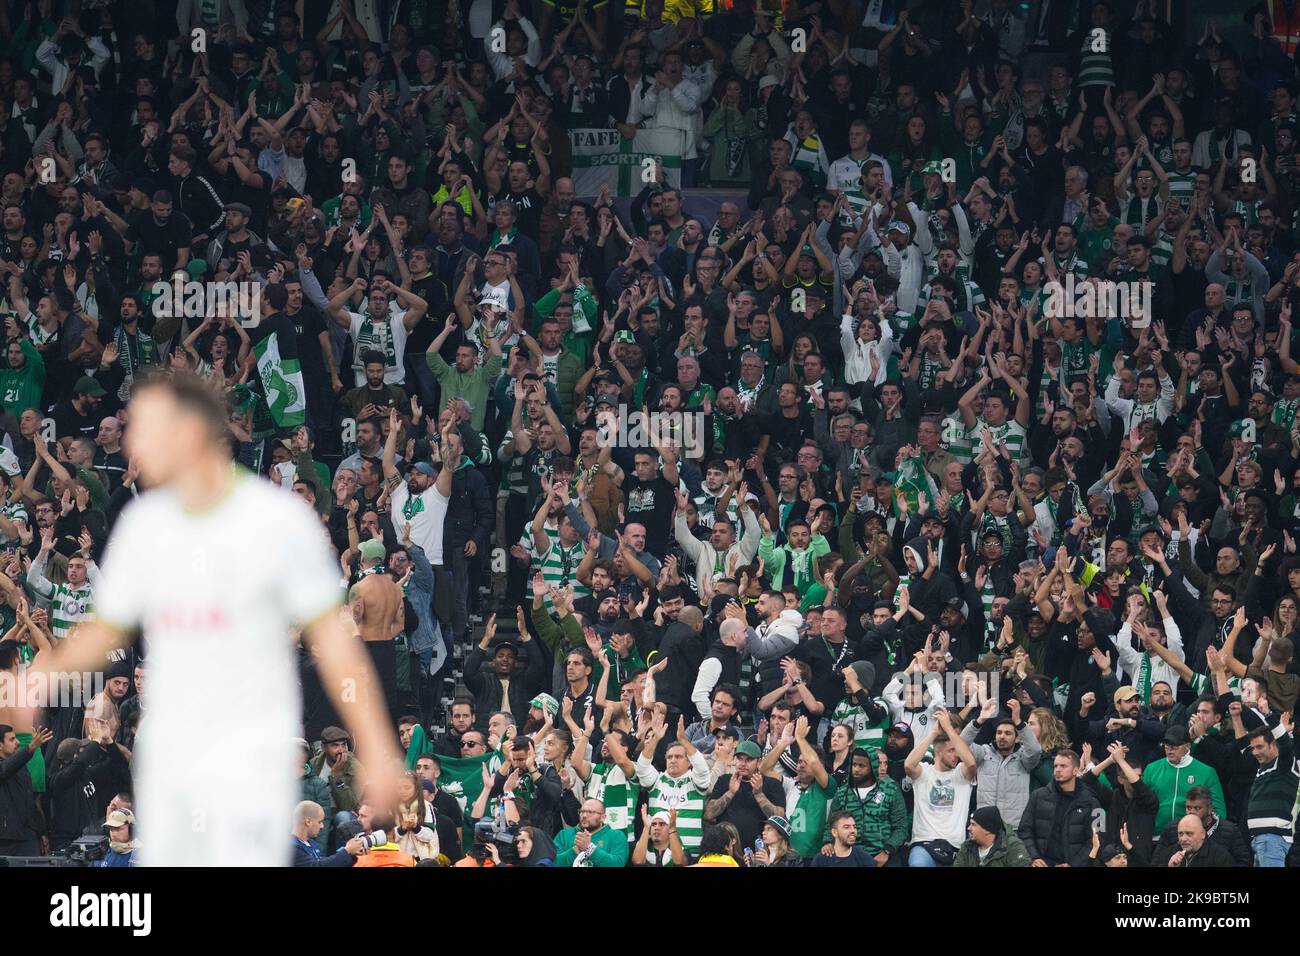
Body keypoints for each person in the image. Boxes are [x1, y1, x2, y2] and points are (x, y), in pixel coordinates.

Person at [28, 373, 401, 865]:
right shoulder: (148, 522)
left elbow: (336, 648)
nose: (134, 441)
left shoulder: (279, 521)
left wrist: (375, 744)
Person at [905, 709, 977, 867]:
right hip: (924, 844)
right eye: (951, 750)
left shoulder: (961, 774)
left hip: (956, 847)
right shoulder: (924, 772)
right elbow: (909, 765)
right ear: (938, 751)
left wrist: (950, 729)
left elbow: (971, 763)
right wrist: (933, 732)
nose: (956, 755)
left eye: (956, 751)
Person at [1017, 751, 1102, 868]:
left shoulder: (1093, 802)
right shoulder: (1037, 796)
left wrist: (1074, 864)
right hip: (1041, 863)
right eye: (1055, 766)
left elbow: (1098, 838)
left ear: (1076, 770)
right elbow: (1024, 830)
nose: (1057, 769)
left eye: (1063, 766)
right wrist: (1034, 857)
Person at [553, 798, 629, 867]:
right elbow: (552, 862)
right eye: (582, 811)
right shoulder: (564, 835)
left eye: (590, 812)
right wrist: (574, 851)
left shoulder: (616, 836)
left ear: (602, 817)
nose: (585, 815)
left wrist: (590, 849)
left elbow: (618, 864)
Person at [291, 800, 366, 867]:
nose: (322, 826)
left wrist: (352, 855)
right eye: (319, 822)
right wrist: (347, 851)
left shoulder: (312, 843)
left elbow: (327, 863)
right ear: (308, 822)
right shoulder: (291, 847)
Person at [954, 806, 1033, 867]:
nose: (969, 828)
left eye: (973, 825)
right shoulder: (967, 847)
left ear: (987, 830)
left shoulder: (1013, 847)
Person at [810, 811, 876, 867]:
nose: (853, 830)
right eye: (846, 827)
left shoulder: (865, 859)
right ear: (834, 832)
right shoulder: (820, 860)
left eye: (854, 827)